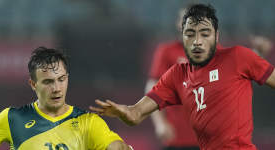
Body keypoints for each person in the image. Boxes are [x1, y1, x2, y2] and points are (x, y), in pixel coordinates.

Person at [89, 3, 275, 150]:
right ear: (182, 36)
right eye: (190, 34)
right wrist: (126, 112)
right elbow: (136, 114)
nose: (197, 41)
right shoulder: (177, 75)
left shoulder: (237, 57)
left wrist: (258, 52)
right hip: (183, 143)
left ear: (217, 36)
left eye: (204, 34)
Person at [0, 47, 132, 150]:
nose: (56, 88)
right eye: (48, 82)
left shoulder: (88, 122)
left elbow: (118, 148)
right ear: (33, 84)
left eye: (61, 79)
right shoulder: (12, 118)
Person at [145, 8, 199, 150]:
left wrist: (258, 54)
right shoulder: (167, 52)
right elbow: (153, 89)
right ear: (179, 24)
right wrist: (160, 123)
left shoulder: (214, 53)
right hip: (176, 137)